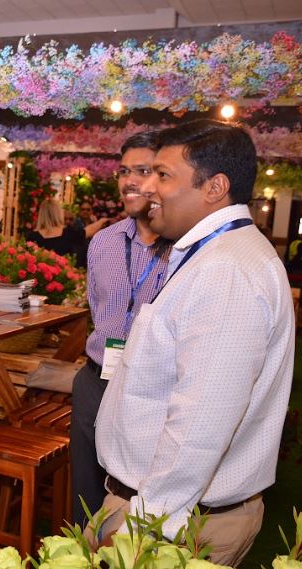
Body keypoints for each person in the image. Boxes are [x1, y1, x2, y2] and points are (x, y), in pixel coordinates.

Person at [93, 120, 294, 566]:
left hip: (169, 525)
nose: (146, 187)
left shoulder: (227, 272)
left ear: (214, 187)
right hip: (165, 513)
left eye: (163, 175)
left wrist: (140, 531)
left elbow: (199, 427)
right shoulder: (214, 255)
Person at [69, 131, 170, 526]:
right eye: (124, 171)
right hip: (95, 381)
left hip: (149, 393)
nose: (129, 181)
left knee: (137, 505)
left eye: (143, 171)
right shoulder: (104, 243)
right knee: (86, 500)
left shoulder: (184, 250)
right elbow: (98, 307)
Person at [26, 198, 88, 267]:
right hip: (64, 276)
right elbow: (88, 231)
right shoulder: (68, 233)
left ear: (41, 214)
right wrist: (101, 221)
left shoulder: (32, 237)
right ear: (58, 213)